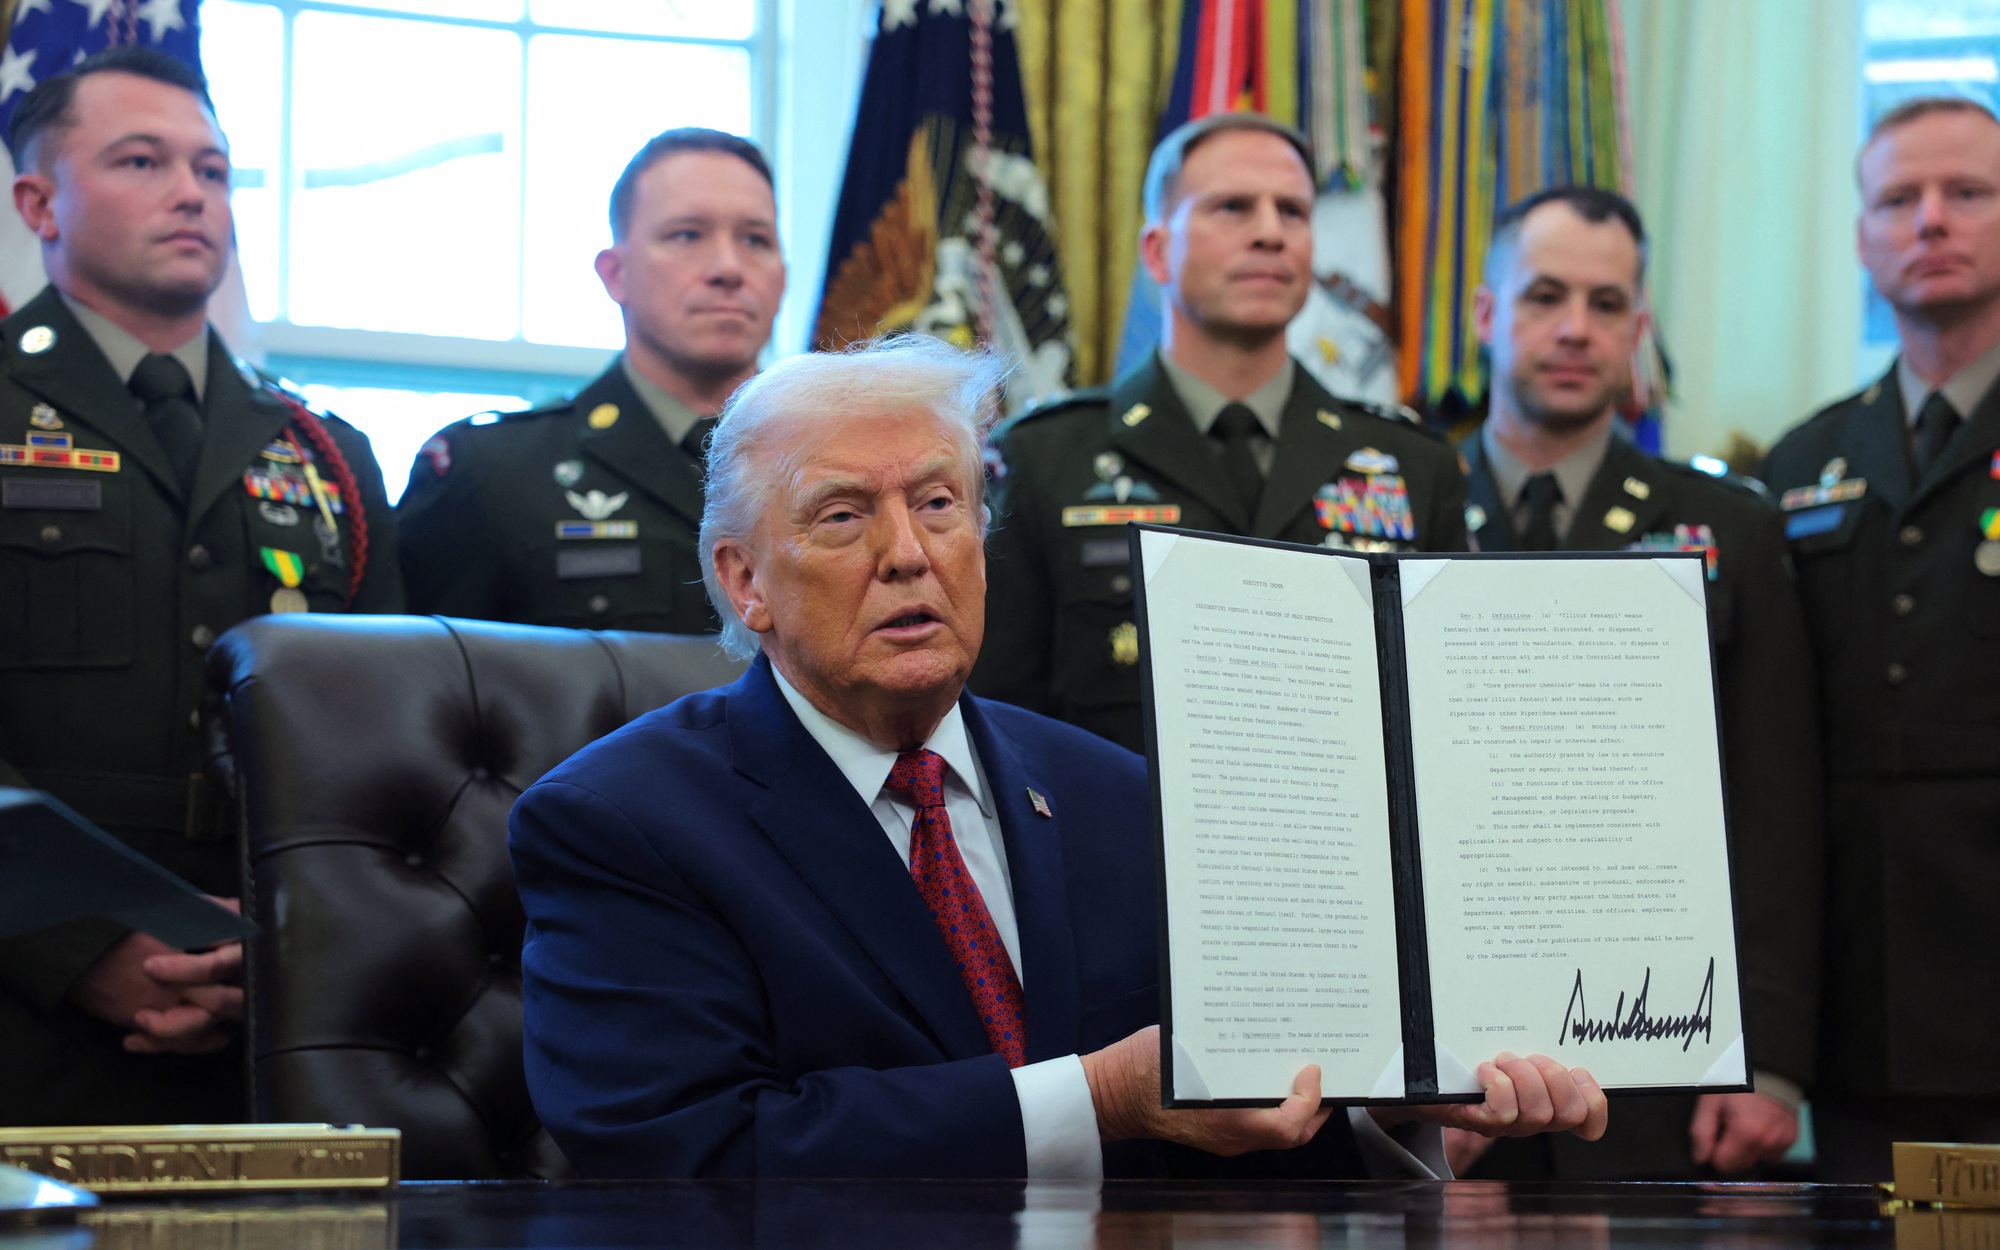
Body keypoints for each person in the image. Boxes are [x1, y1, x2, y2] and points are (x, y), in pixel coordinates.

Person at [510, 335, 1608, 1179]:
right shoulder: (621, 823)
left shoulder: (1121, 796)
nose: (908, 553)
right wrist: (1099, 1097)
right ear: (744, 579)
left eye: (938, 503)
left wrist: (1386, 1108)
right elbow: (692, 1158)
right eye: (842, 516)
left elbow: (1218, 1124)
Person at [0, 47, 402, 1125]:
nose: (191, 193)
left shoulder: (323, 450)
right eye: (141, 161)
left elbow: (392, 745)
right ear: (38, 203)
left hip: (285, 1003)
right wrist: (78, 944)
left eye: (213, 170)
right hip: (25, 1005)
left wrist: (294, 947)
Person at [1445, 187, 1822, 1181]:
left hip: (1660, 1062)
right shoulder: (1404, 513)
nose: (1576, 328)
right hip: (1444, 1065)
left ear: (1637, 330)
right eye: (1545, 296)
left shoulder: (1726, 528)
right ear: (1485, 314)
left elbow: (1775, 804)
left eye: (1606, 304)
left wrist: (1771, 1057)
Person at [973, 113, 1467, 753]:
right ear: (1157, 251)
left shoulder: (1411, 465)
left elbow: (1444, 723)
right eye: (1232, 207)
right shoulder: (1045, 460)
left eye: (1293, 212)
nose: (1270, 233)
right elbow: (1002, 728)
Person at [1760, 96, 2000, 1183]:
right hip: (1869, 993)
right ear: (1861, 237)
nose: (1930, 219)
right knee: (1884, 1234)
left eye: (1966, 192)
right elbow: (1773, 752)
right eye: (1898, 198)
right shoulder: (1805, 461)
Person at [397, 128, 784, 633]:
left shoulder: (838, 467)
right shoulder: (494, 474)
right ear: (615, 274)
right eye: (687, 235)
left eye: (755, 240)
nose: (728, 269)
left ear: (783, 277)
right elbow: (423, 674)